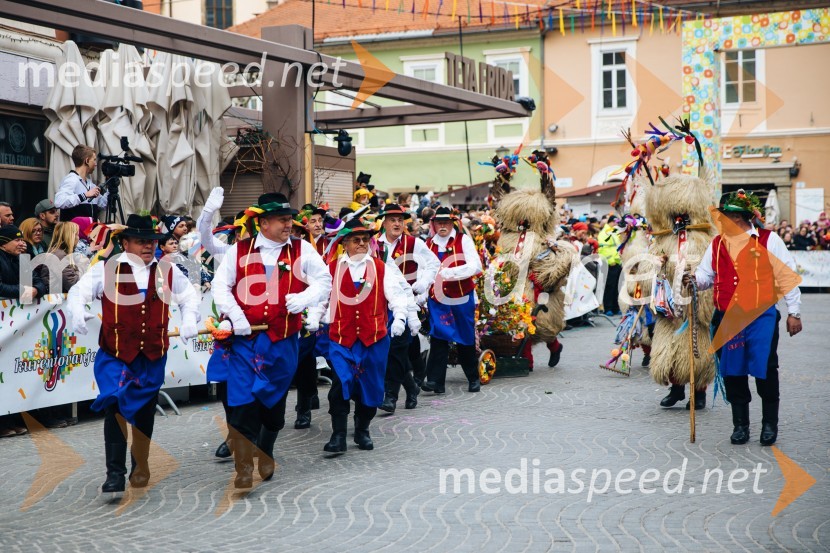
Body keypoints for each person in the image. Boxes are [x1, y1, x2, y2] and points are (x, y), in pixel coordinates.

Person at [67, 214, 200, 492]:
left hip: (151, 355)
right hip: (116, 353)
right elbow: (77, 293)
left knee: (144, 412)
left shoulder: (168, 270)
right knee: (114, 406)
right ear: (125, 242)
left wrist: (189, 320)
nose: (149, 246)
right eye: (141, 241)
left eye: (152, 241)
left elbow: (189, 297)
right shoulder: (105, 268)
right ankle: (114, 472)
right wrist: (77, 312)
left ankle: (141, 464)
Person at [211, 193, 331, 488]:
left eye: (290, 219)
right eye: (282, 220)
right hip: (244, 343)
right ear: (263, 223)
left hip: (283, 342)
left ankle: (266, 449)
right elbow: (220, 286)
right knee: (242, 404)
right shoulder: (238, 250)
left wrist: (304, 297)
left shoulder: (302, 249)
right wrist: (236, 317)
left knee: (274, 408)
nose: (289, 224)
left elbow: (324, 280)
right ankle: (242, 468)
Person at [687, 190, 802, 446]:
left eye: (727, 216)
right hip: (727, 317)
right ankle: (740, 426)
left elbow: (786, 276)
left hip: (761, 317)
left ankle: (769, 425)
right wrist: (693, 281)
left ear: (741, 218)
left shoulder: (769, 240)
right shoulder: (716, 245)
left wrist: (794, 312)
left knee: (766, 370)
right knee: (733, 372)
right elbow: (707, 276)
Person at [321, 218, 409, 453]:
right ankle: (338, 435)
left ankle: (362, 430)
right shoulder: (332, 268)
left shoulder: (381, 268)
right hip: (342, 339)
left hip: (374, 339)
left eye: (365, 240)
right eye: (356, 240)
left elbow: (397, 296)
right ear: (345, 244)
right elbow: (321, 297)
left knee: (370, 388)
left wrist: (400, 317)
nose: (362, 244)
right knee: (340, 385)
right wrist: (314, 316)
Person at [376, 203, 439, 413]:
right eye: (392, 220)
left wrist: (423, 285)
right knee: (392, 352)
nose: (396, 223)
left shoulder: (414, 243)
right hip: (381, 305)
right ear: (384, 222)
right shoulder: (375, 244)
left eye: (400, 220)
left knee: (396, 350)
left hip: (406, 304)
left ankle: (391, 397)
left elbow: (434, 264)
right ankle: (411, 387)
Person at [421, 207, 483, 394]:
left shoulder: (463, 240)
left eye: (446, 222)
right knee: (439, 337)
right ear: (433, 224)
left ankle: (473, 377)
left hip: (461, 296)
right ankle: (435, 382)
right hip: (438, 298)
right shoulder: (428, 244)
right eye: (438, 222)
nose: (442, 226)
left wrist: (451, 273)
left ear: (452, 223)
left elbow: (475, 266)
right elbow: (423, 270)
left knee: (465, 338)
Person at [0, 224, 46, 438]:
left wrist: (36, 289)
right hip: (4, 325)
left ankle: (16, 418)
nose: (22, 243)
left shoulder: (23, 259)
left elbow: (39, 282)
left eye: (21, 239)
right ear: (3, 243)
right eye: (16, 240)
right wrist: (23, 291)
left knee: (17, 374)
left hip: (20, 327)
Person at [54, 145, 108, 221]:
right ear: (87, 161)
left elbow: (104, 205)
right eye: (94, 160)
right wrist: (85, 195)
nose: (96, 164)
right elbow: (59, 202)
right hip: (75, 232)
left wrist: (111, 188)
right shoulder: (72, 179)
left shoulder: (90, 184)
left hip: (90, 232)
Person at [37, 222, 85, 294]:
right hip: (56, 301)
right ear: (70, 237)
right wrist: (82, 267)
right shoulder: (59, 256)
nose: (79, 238)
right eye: (77, 235)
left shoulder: (61, 253)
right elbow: (72, 284)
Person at [597, 215, 622, 315]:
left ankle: (616, 307)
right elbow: (604, 249)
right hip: (610, 263)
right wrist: (610, 260)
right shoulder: (604, 233)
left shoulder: (614, 232)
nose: (617, 224)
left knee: (617, 286)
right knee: (609, 287)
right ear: (611, 222)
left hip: (617, 262)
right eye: (616, 222)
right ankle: (608, 308)